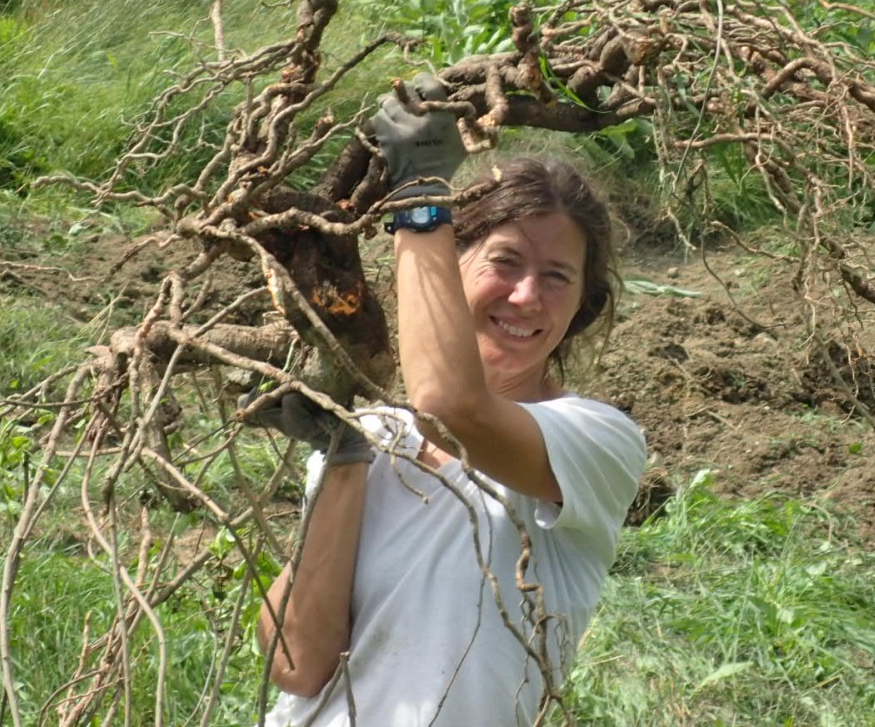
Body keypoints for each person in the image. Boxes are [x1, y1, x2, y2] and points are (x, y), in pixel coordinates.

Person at [254, 76, 647, 726]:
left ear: (583, 305)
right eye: (505, 261)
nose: (526, 296)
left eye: (557, 277)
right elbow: (298, 665)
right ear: (449, 264)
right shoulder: (371, 431)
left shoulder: (594, 439)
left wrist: (419, 201)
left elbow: (449, 407)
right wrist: (344, 457)